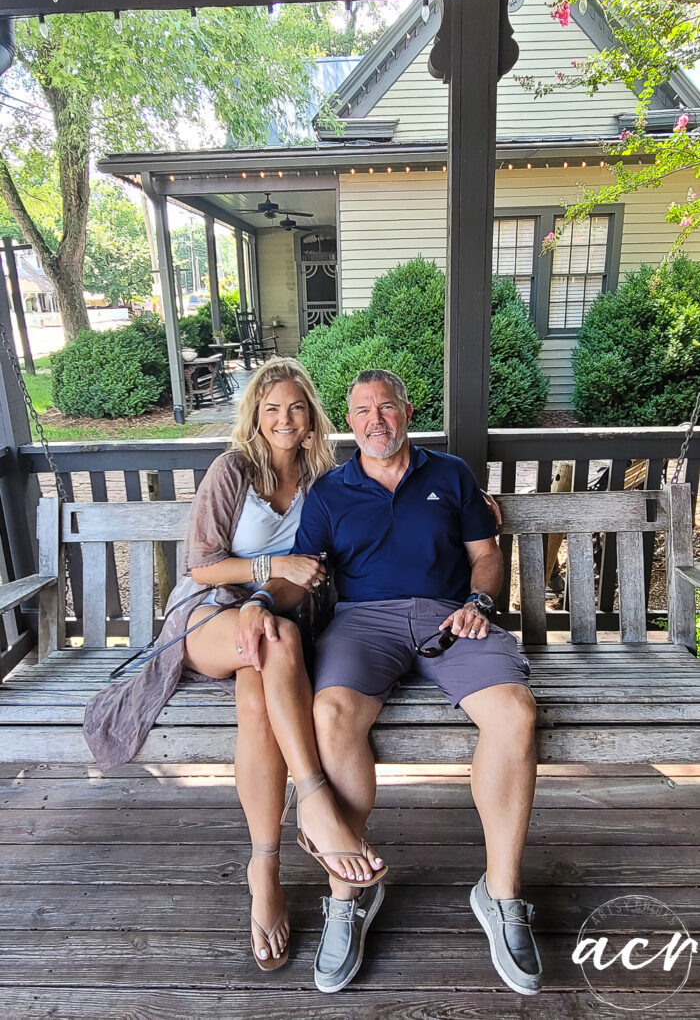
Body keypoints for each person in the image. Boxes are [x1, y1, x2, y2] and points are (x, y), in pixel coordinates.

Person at [84, 358, 387, 973]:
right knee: (271, 641)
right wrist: (259, 583)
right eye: (272, 408)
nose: (284, 419)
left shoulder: (322, 476)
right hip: (207, 615)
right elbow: (199, 567)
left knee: (259, 695)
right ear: (255, 413)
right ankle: (315, 800)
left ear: (311, 417)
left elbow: (318, 566)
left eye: (296, 408)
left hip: (278, 619)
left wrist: (472, 503)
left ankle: (265, 866)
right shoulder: (233, 471)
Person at [253, 369, 541, 996]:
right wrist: (258, 600)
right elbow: (303, 572)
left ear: (408, 411)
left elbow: (486, 556)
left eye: (386, 407)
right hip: (364, 623)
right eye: (362, 411)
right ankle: (349, 893)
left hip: (450, 616)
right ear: (348, 422)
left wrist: (480, 605)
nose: (375, 420)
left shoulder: (451, 475)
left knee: (515, 712)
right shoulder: (330, 491)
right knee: (329, 713)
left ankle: (501, 895)